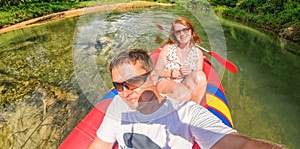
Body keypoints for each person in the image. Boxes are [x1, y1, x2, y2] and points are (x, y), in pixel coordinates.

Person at [88, 49, 284, 149]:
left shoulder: (188, 113)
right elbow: (100, 144)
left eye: (132, 82)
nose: (124, 92)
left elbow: (240, 145)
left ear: (154, 76)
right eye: (118, 86)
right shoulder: (117, 105)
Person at [155, 17, 206, 103]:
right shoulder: (168, 49)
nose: (182, 34)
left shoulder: (198, 53)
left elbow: (198, 72)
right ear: (174, 35)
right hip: (166, 81)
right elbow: (157, 71)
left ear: (191, 31)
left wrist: (191, 71)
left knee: (199, 77)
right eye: (178, 31)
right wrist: (170, 73)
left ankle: (193, 110)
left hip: (184, 82)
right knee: (184, 94)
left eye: (185, 30)